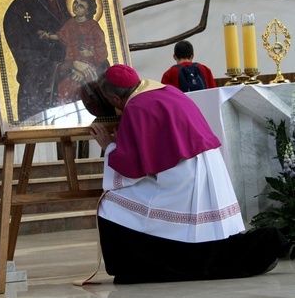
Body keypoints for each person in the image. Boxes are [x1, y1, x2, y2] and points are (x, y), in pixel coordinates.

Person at [90, 64, 289, 284]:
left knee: (111, 205)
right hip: (207, 166)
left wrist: (109, 146)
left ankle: (136, 267)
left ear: (116, 99)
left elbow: (131, 166)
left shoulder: (136, 107)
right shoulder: (167, 90)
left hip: (185, 175)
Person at [3, 0, 72, 122]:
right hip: (41, 93)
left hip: (76, 87)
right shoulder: (18, 10)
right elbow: (26, 60)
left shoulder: (73, 4)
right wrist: (61, 67)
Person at [38, 0, 110, 105]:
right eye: (75, 3)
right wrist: (48, 36)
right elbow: (61, 35)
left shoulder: (94, 27)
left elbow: (102, 49)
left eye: (81, 6)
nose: (76, 6)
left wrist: (90, 52)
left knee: (79, 88)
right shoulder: (70, 23)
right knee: (64, 88)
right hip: (72, 61)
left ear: (87, 11)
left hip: (91, 64)